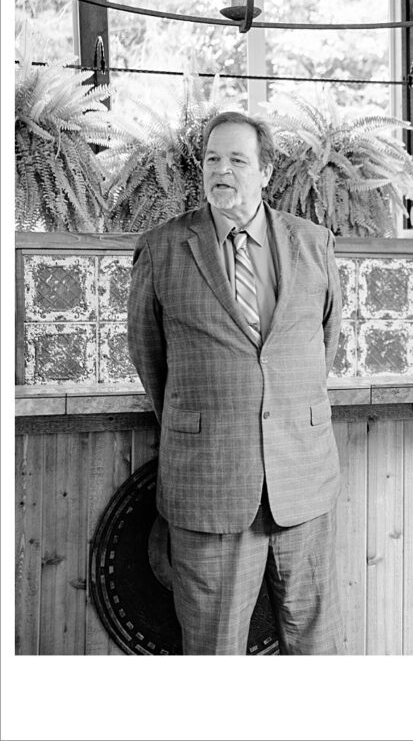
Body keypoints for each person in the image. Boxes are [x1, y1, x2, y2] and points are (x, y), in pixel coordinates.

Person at [127, 111, 344, 655]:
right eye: (212, 159)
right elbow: (150, 358)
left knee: (315, 648)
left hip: (303, 479)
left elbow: (324, 345)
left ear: (266, 171)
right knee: (213, 652)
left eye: (238, 160)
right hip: (211, 484)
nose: (221, 171)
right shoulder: (162, 249)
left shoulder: (314, 243)